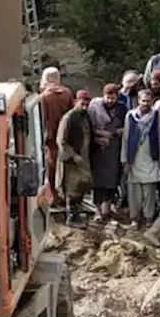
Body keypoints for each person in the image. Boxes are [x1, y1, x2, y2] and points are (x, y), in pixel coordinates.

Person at [121, 89, 160, 229]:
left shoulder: (156, 116)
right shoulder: (130, 116)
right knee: (134, 192)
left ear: (152, 101)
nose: (145, 103)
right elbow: (126, 138)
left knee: (149, 192)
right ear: (138, 101)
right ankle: (134, 218)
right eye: (143, 100)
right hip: (134, 158)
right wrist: (125, 160)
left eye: (148, 101)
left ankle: (148, 218)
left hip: (150, 158)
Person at [88, 83, 127, 223]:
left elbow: (126, 127)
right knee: (98, 182)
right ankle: (98, 210)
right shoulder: (94, 107)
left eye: (113, 98)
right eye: (108, 97)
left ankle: (107, 209)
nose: (110, 101)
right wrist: (99, 135)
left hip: (114, 149)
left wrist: (116, 132)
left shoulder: (122, 109)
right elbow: (89, 127)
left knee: (112, 181)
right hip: (98, 149)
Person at [39, 67, 75, 207]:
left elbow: (42, 120)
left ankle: (53, 198)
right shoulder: (67, 93)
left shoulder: (44, 97)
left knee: (51, 169)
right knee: (66, 168)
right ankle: (67, 198)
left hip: (50, 139)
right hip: (66, 138)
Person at [57, 90, 93, 227]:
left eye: (87, 104)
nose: (84, 106)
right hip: (71, 161)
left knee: (82, 187)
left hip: (83, 157)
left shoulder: (85, 116)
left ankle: (77, 214)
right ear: (75, 102)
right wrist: (74, 156)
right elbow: (61, 141)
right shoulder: (69, 118)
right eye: (82, 103)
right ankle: (71, 218)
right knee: (72, 190)